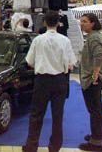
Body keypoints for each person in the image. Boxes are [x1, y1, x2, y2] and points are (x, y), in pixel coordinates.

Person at [23, 11, 77, 152]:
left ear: (45, 22)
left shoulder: (38, 40)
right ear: (59, 23)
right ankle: (55, 147)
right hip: (60, 81)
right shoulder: (65, 40)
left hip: (42, 80)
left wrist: (42, 64)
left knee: (36, 114)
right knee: (57, 115)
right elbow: (72, 64)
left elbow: (29, 62)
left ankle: (31, 145)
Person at [78, 13, 102, 152]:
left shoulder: (94, 37)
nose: (81, 24)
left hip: (93, 79)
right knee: (95, 110)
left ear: (93, 23)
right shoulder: (92, 36)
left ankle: (96, 143)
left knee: (95, 110)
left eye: (84, 21)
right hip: (92, 77)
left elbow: (99, 56)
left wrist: (95, 75)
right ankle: (97, 136)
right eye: (81, 21)